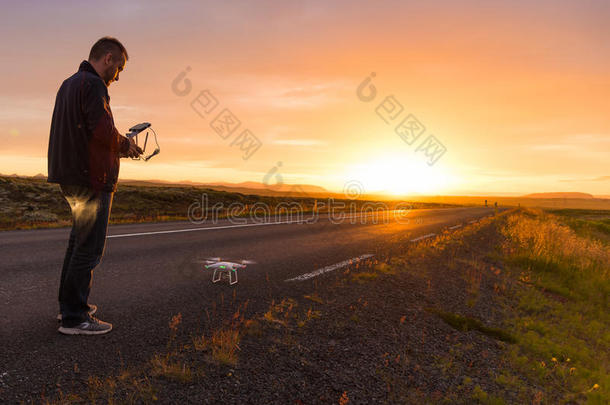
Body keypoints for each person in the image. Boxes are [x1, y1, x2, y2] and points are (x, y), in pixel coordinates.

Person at [47, 37, 142, 335]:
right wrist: (125, 144)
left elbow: (87, 130)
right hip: (91, 179)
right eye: (120, 68)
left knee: (78, 242)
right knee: (89, 248)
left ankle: (70, 308)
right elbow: (101, 130)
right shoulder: (93, 85)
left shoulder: (69, 83)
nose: (119, 75)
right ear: (108, 58)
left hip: (71, 175)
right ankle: (76, 317)